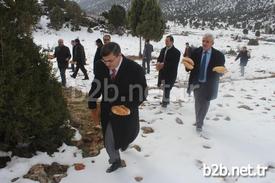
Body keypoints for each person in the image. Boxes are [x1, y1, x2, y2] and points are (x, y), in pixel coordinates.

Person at [88, 42, 147, 173]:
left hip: (127, 110)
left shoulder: (135, 69)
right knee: (109, 140)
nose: (107, 64)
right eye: (105, 61)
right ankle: (115, 161)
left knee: (129, 134)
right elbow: (97, 84)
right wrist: (92, 101)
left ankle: (125, 142)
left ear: (119, 55)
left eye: (110, 61)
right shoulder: (100, 66)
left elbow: (142, 92)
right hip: (107, 110)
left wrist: (128, 107)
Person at [185, 33, 225, 132]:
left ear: (212, 43)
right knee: (198, 102)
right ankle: (199, 121)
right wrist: (187, 65)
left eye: (207, 41)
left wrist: (221, 72)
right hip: (196, 82)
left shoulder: (218, 55)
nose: (204, 43)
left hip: (209, 84)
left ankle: (199, 122)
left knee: (206, 103)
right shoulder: (195, 52)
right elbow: (189, 67)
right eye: (203, 41)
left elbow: (221, 70)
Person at [156, 35, 181, 108]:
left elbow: (174, 63)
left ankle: (164, 103)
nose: (166, 42)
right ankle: (166, 100)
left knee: (167, 87)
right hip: (162, 72)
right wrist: (158, 63)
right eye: (165, 41)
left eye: (167, 41)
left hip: (171, 73)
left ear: (172, 42)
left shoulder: (176, 52)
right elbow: (159, 58)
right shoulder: (163, 50)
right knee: (164, 87)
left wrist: (163, 64)